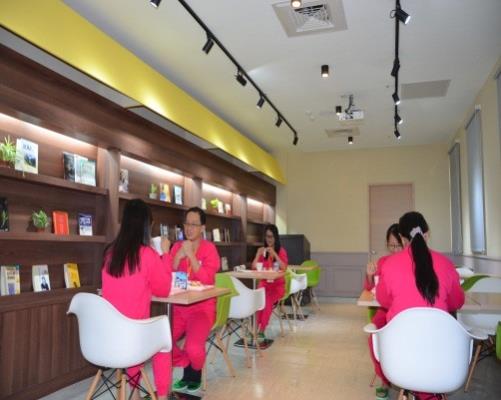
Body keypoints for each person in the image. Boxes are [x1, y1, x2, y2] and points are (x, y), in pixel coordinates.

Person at [375, 212, 464, 400]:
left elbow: (383, 300)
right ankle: (428, 394)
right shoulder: (447, 264)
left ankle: (416, 392)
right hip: (439, 355)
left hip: (399, 356)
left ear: (401, 237)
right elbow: (457, 302)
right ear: (427, 233)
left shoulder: (389, 265)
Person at [101, 199, 172, 400]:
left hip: (106, 337)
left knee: (135, 326)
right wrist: (165, 255)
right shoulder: (147, 254)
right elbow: (164, 289)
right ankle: (163, 396)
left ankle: (133, 394)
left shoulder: (109, 254)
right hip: (133, 340)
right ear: (145, 226)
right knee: (162, 340)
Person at [170, 207, 220, 393]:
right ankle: (185, 363)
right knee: (162, 341)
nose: (189, 228)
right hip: (178, 307)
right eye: (186, 224)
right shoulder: (177, 246)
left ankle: (194, 372)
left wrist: (190, 255)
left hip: (202, 308)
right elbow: (166, 276)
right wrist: (177, 258)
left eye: (194, 224)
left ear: (202, 228)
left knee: (193, 347)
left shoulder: (209, 249)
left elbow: (207, 279)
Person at [364, 224, 403, 397]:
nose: (394, 250)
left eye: (398, 245)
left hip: (403, 313)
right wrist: (370, 275)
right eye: (391, 245)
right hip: (384, 311)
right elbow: (369, 289)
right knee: (373, 339)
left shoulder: (410, 263)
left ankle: (408, 376)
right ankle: (385, 380)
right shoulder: (382, 262)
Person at [252, 224, 288, 342]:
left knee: (266, 302)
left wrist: (275, 254)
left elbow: (284, 268)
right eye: (267, 237)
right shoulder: (263, 251)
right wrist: (257, 254)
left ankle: (261, 330)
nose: (269, 240)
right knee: (258, 301)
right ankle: (254, 329)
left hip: (277, 286)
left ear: (276, 237)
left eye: (271, 237)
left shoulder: (281, 251)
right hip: (265, 284)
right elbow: (254, 268)